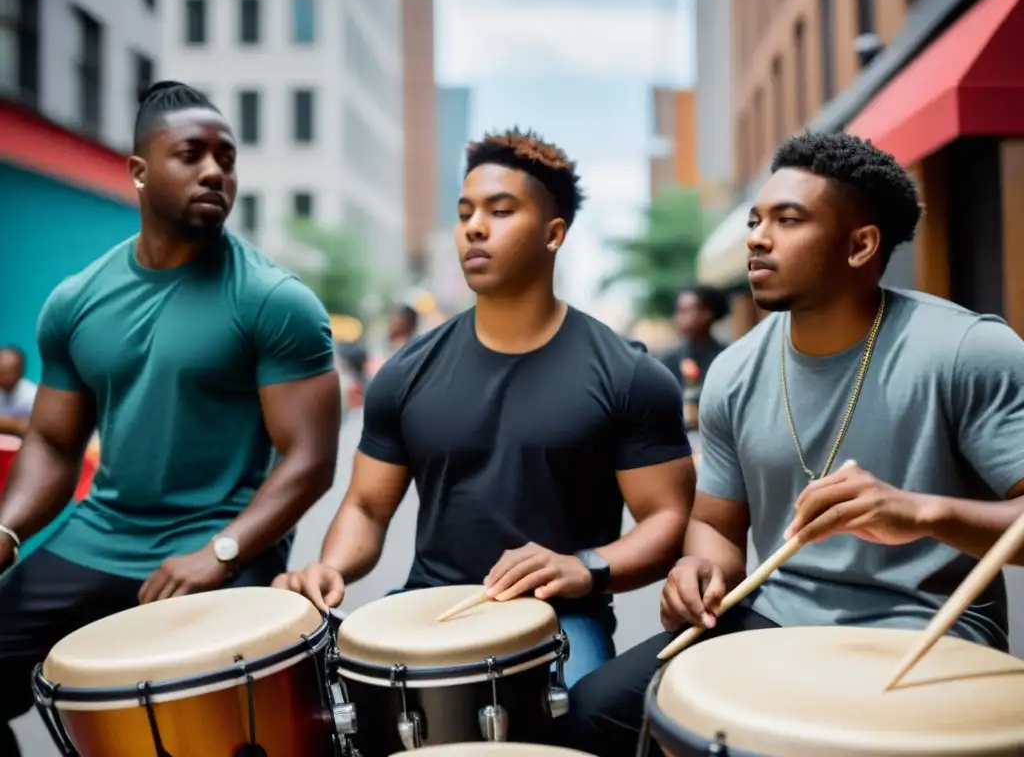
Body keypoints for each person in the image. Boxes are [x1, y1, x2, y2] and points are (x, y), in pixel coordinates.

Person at [562, 131, 1024, 755]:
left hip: (929, 628)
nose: (756, 237)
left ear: (861, 244)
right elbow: (718, 528)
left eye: (788, 219)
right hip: (775, 616)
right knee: (598, 710)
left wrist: (922, 512)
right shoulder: (735, 371)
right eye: (756, 220)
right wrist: (701, 570)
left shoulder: (969, 351)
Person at [274, 128, 695, 687]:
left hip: (560, 616)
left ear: (553, 233)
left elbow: (668, 518)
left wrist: (584, 568)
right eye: (465, 211)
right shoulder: (405, 372)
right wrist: (331, 568)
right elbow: (367, 508)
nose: (474, 226)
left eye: (501, 210)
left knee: (576, 729)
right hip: (430, 604)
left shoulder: (631, 376)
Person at [0, 81, 340, 756]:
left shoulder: (275, 300)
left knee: (212, 732)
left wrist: (220, 552)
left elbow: (308, 460)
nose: (216, 170)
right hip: (103, 534)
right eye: (192, 154)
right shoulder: (75, 302)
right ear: (139, 170)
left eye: (227, 157)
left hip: (222, 540)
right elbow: (54, 443)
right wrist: (6, 531)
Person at [658, 286, 728, 431]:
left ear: (706, 314)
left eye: (685, 311)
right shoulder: (667, 361)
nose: (679, 317)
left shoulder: (727, 358)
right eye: (678, 311)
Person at [0, 347, 37, 437]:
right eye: (2, 371)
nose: (5, 377)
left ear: (21, 371)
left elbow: (35, 428)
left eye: (10, 371)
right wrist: (16, 424)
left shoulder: (33, 395)